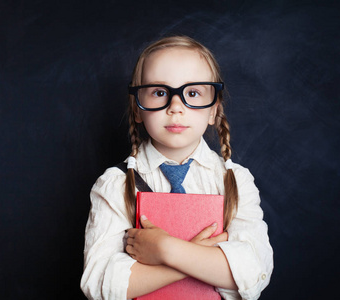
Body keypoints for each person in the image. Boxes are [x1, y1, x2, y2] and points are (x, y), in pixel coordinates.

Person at [80, 36, 273, 300]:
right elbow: (100, 284)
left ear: (213, 110)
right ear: (138, 109)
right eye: (160, 93)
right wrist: (198, 257)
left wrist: (166, 250)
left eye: (193, 93)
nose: (176, 107)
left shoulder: (236, 181)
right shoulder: (114, 184)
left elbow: (252, 273)